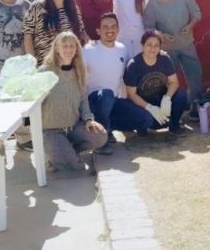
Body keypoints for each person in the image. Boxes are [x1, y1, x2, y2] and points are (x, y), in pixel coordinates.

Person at [40, 31, 107, 171]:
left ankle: (64, 151)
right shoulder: (44, 72)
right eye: (64, 46)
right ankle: (56, 153)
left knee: (100, 136)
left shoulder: (79, 71)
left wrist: (89, 120)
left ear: (77, 49)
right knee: (77, 167)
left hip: (73, 127)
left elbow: (83, 99)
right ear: (57, 48)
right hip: (52, 130)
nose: (68, 49)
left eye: (72, 46)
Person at [143, 0, 203, 119]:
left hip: (187, 44)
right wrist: (161, 35)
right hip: (167, 49)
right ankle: (170, 111)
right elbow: (148, 26)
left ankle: (194, 107)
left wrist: (190, 26)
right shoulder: (152, 4)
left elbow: (197, 13)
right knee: (167, 82)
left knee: (195, 76)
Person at [123, 31, 188, 135]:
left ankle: (174, 125)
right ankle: (142, 125)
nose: (153, 48)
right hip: (143, 104)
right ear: (142, 46)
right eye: (149, 45)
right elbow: (131, 94)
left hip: (160, 100)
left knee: (181, 94)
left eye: (156, 45)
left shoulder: (164, 59)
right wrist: (149, 107)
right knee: (149, 121)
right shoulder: (133, 65)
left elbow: (174, 82)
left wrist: (167, 98)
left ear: (160, 47)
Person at [83, 12, 128, 153]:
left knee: (144, 119)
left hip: (113, 101)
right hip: (94, 102)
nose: (110, 30)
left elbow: (131, 71)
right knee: (107, 94)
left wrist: (160, 53)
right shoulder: (88, 50)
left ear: (118, 29)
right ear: (98, 31)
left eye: (114, 26)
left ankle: (109, 127)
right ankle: (100, 140)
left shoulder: (123, 49)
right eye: (105, 27)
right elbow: (79, 78)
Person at [23, 0, 89, 66]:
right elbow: (27, 36)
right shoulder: (36, 7)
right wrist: (32, 63)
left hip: (69, 67)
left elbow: (82, 34)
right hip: (44, 67)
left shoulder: (74, 8)